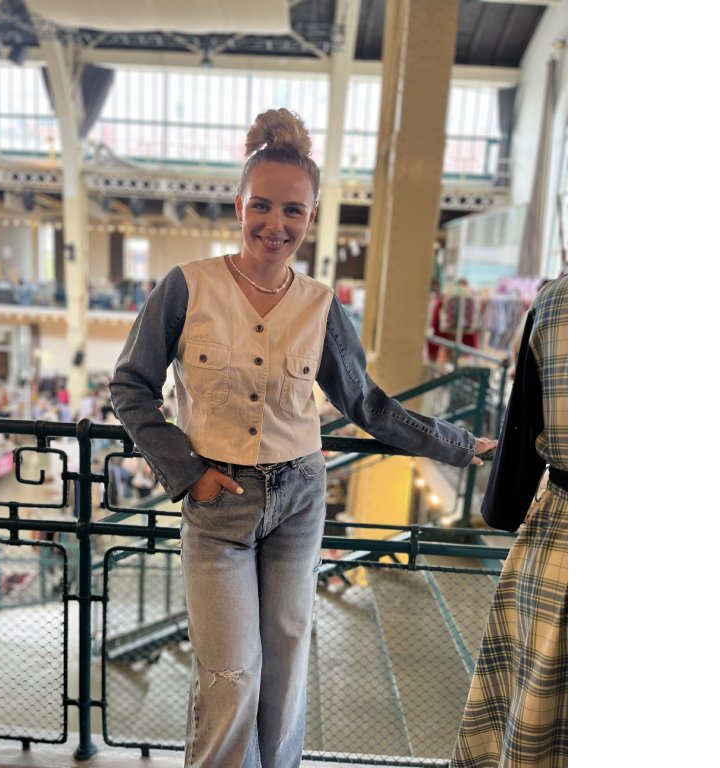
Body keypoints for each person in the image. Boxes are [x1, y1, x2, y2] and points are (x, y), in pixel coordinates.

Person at [110, 107, 497, 768]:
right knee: (231, 676)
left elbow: (367, 404)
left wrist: (461, 446)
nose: (275, 224)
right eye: (261, 205)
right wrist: (188, 471)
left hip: (299, 501)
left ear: (311, 217)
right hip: (218, 507)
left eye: (293, 210)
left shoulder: (321, 307)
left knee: (287, 670)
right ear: (240, 205)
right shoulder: (186, 288)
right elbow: (130, 386)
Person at [451, 274, 568, 767]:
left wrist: (502, 507)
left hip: (564, 535)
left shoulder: (558, 301)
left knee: (540, 708)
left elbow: (523, 422)